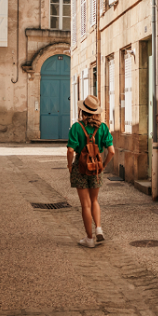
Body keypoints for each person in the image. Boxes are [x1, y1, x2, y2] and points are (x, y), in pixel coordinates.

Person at [66, 95, 115, 248]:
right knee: (94, 201)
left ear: (82, 111)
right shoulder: (103, 127)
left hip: (80, 167)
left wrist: (69, 165)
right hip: (97, 167)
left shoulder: (76, 127)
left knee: (85, 205)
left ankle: (89, 239)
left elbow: (70, 150)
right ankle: (98, 228)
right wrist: (104, 165)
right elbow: (112, 151)